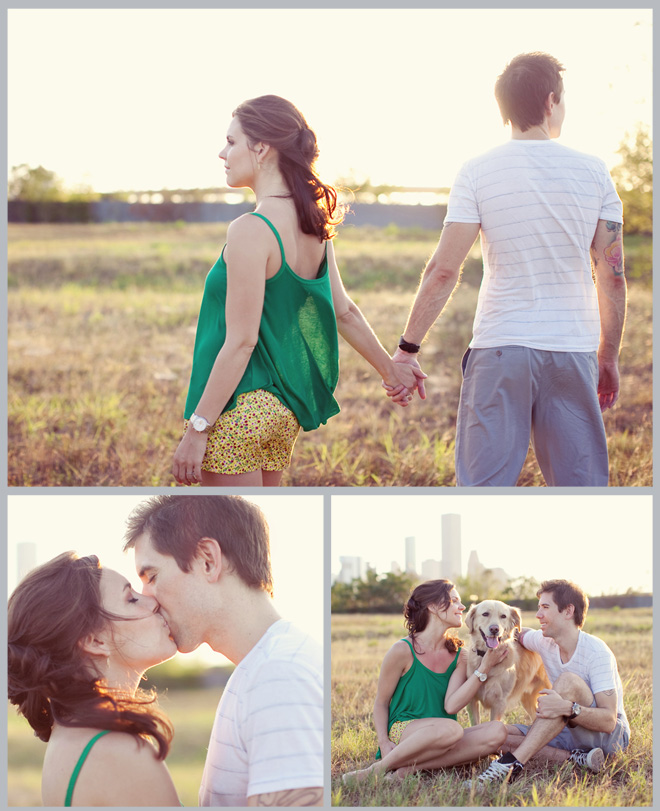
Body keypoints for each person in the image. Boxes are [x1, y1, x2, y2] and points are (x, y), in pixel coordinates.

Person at [389, 52, 627, 487]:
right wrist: (607, 356)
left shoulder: (477, 171)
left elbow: (444, 270)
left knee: (482, 489)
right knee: (582, 488)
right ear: (551, 101)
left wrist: (407, 350)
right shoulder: (594, 172)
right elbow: (611, 274)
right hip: (571, 350)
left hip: (499, 348)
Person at [173, 94, 423, 487]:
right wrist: (391, 370)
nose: (222, 153)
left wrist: (197, 429)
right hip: (280, 413)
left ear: (261, 147)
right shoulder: (313, 224)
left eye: (232, 141)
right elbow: (344, 313)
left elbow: (242, 342)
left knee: (228, 528)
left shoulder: (251, 230)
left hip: (237, 408)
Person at [123, 494, 323, 807]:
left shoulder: (278, 676)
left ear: (208, 560)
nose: (148, 600)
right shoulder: (263, 667)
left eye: (152, 577)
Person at [8, 552, 179, 807]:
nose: (152, 601)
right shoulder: (120, 754)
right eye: (131, 599)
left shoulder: (68, 738)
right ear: (94, 641)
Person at [342, 579, 509, 782]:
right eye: (454, 600)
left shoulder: (460, 656)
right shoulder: (402, 650)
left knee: (497, 730)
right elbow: (380, 703)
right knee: (451, 728)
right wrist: (384, 743)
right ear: (433, 606)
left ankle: (407, 769)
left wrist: (484, 667)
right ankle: (376, 770)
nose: (462, 607)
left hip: (445, 736)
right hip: (404, 731)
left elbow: (451, 706)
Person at [467, 579, 630, 787]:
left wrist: (568, 708)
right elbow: (515, 632)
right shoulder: (543, 641)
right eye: (538, 608)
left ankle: (511, 764)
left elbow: (609, 721)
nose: (538, 615)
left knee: (567, 681)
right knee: (495, 734)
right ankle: (575, 758)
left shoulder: (597, 652)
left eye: (545, 607)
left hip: (609, 738)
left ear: (568, 611)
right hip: (566, 732)